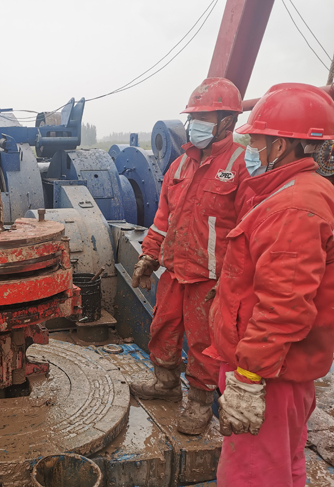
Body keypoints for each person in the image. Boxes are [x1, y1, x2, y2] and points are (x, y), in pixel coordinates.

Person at [204, 83, 334, 486]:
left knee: (252, 473)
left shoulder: (293, 208)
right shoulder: (299, 192)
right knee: (283, 463)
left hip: (267, 373)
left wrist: (247, 378)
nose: (249, 149)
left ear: (279, 146)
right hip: (279, 368)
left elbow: (284, 305)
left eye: (255, 141)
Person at [129, 77, 249, 435]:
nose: (195, 124)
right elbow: (163, 219)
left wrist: (232, 283)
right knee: (163, 328)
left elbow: (249, 230)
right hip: (174, 271)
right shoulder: (180, 166)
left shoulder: (241, 166)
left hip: (210, 280)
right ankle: (165, 383)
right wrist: (149, 255)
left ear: (227, 121)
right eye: (193, 117)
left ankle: (199, 401)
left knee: (202, 342)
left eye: (204, 117)